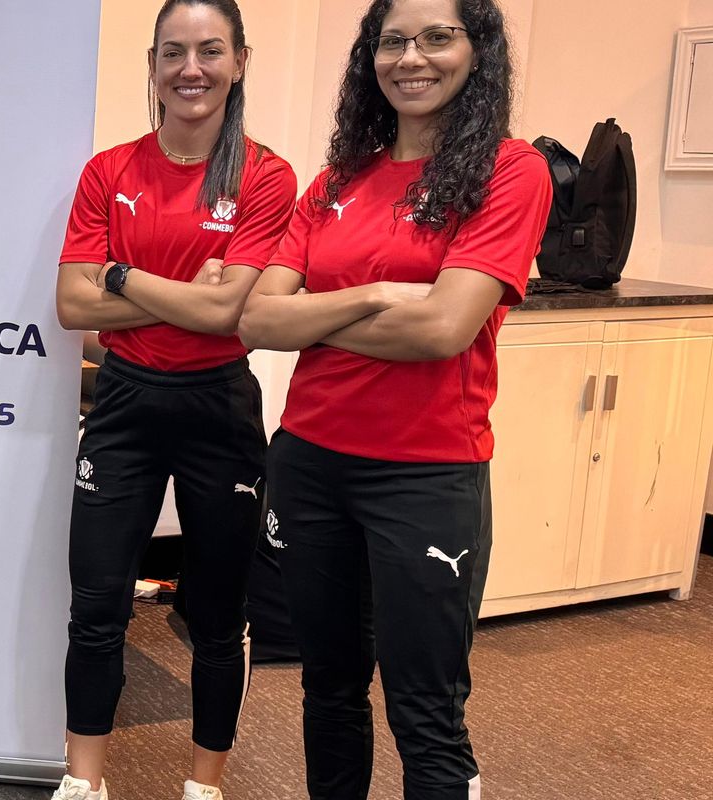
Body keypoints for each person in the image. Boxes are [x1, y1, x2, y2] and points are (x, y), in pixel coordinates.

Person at [237, 0, 551, 797]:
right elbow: (257, 321)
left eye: (438, 37)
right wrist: (376, 294)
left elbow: (443, 329)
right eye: (393, 41)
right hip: (310, 463)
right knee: (328, 688)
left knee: (426, 710)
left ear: (477, 51)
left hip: (425, 473)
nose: (412, 58)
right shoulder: (337, 181)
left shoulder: (510, 172)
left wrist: (314, 318)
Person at [52, 2, 296, 798]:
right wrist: (184, 294)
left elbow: (227, 314)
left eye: (210, 51)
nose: (192, 69)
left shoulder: (266, 177)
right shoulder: (109, 172)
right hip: (124, 402)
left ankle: (204, 786)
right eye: (174, 52)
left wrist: (120, 275)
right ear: (153, 65)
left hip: (217, 409)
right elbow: (72, 305)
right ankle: (83, 784)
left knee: (217, 616)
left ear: (240, 61)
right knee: (96, 607)